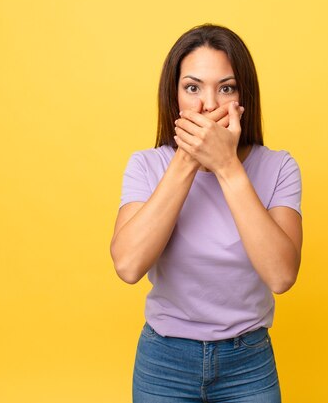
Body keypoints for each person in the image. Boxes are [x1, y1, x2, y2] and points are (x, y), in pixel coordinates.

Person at [110, 23, 303, 403]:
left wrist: (228, 167)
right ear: (175, 96)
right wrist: (186, 160)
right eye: (193, 88)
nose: (209, 104)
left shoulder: (279, 167)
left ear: (243, 97)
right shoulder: (146, 166)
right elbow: (128, 266)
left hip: (248, 363)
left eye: (226, 88)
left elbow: (281, 276)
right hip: (164, 363)